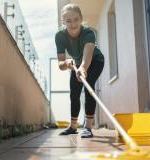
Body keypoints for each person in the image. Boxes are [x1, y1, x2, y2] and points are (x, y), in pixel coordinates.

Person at [55, 3, 104, 138]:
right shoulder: (60, 36)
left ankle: (88, 127)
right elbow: (60, 64)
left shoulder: (88, 33)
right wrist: (66, 63)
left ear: (81, 18)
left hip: (95, 61)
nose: (73, 24)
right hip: (76, 64)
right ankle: (73, 126)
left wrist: (82, 68)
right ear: (63, 21)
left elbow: (88, 54)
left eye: (76, 19)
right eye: (68, 21)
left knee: (89, 86)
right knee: (74, 93)